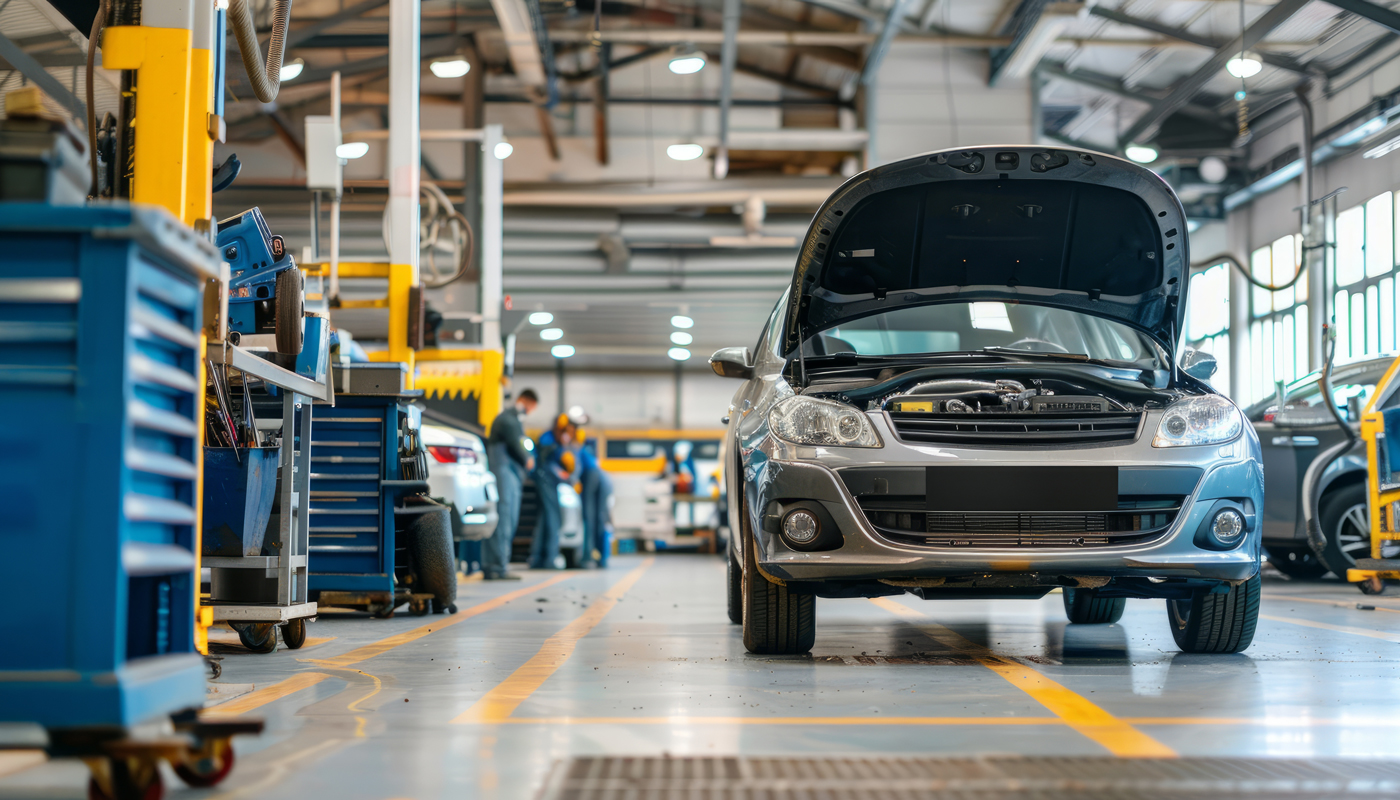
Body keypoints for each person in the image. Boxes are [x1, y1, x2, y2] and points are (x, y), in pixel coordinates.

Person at [483, 388, 537, 580]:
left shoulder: (514, 420)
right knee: (503, 518)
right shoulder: (508, 419)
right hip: (504, 473)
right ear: (526, 402)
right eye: (532, 407)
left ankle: (499, 565)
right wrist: (527, 459)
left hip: (511, 474)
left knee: (508, 518)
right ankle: (495, 566)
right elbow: (518, 445)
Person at [529, 414, 574, 570]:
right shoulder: (548, 438)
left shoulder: (556, 439)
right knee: (553, 518)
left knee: (544, 519)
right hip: (545, 479)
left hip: (548, 480)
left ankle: (537, 558)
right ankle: (550, 558)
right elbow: (545, 460)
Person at [575, 428, 613, 569]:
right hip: (603, 479)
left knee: (588, 518)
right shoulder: (587, 451)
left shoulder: (576, 451)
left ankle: (587, 558)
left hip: (592, 478)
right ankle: (602, 558)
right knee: (599, 518)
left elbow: (575, 471)